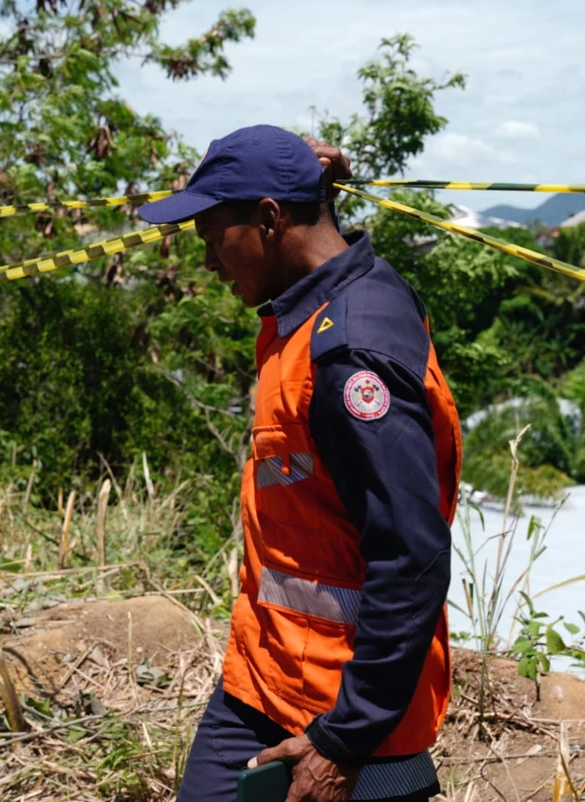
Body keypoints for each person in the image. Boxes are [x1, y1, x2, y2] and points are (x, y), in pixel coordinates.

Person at [138, 125, 462, 802]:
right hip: (264, 676)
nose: (206, 259)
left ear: (268, 218)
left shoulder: (349, 352)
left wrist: (342, 741)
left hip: (336, 713)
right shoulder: (323, 302)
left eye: (210, 236)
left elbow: (412, 556)